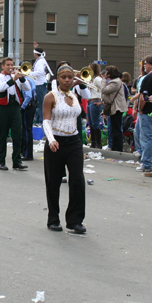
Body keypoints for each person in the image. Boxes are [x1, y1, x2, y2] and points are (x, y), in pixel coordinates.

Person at [42, 65, 86, 234]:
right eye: (64, 77)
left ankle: (75, 221)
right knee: (53, 182)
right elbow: (46, 121)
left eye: (70, 77)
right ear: (58, 79)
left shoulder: (74, 96)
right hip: (56, 142)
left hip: (73, 141)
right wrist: (51, 140)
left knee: (77, 180)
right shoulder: (50, 97)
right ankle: (53, 218)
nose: (67, 80)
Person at [0, 57, 30, 171]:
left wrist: (22, 79)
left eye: (12, 65)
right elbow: (0, 88)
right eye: (8, 65)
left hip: (15, 107)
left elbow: (27, 88)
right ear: (3, 66)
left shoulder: (16, 76)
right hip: (4, 108)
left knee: (17, 135)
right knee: (3, 135)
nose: (11, 67)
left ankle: (17, 161)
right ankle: (1, 162)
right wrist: (13, 79)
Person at [102, 66, 126, 152]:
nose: (105, 74)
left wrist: (104, 79)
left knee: (116, 129)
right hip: (115, 108)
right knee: (114, 128)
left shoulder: (115, 82)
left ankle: (117, 148)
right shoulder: (115, 81)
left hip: (117, 108)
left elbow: (103, 90)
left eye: (107, 72)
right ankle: (114, 146)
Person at [31, 47, 52, 124]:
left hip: (39, 84)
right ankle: (38, 120)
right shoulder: (41, 60)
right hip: (40, 84)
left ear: (35, 54)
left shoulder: (40, 61)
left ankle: (40, 121)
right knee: (40, 104)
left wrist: (29, 73)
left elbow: (39, 72)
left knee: (40, 104)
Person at [85, 63, 104, 149]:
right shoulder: (91, 80)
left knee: (95, 123)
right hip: (90, 102)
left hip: (95, 101)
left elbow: (104, 89)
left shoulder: (97, 79)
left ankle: (98, 143)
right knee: (91, 124)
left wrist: (102, 101)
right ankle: (93, 142)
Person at [20, 73, 36, 160]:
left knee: (26, 130)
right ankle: (24, 151)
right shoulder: (31, 80)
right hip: (31, 105)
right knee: (26, 129)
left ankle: (27, 154)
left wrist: (22, 107)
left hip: (27, 106)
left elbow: (28, 95)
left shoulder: (25, 80)